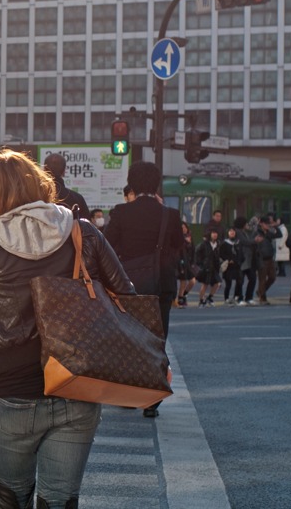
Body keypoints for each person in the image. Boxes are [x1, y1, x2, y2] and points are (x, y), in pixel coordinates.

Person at [0, 149, 134, 508]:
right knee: (60, 501)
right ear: (39, 183)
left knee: (12, 498)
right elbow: (126, 296)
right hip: (76, 383)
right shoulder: (82, 232)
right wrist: (153, 361)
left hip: (10, 390)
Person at [104, 161, 182, 417]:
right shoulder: (169, 215)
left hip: (129, 286)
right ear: (156, 185)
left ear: (133, 184)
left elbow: (106, 247)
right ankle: (152, 401)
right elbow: (180, 248)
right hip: (160, 285)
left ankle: (129, 394)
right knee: (157, 340)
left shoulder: (121, 213)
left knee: (130, 339)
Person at [43, 153, 91, 220]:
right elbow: (86, 227)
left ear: (44, 170)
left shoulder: (34, 197)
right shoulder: (77, 199)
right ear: (64, 171)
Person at [253, 215, 280, 305]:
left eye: (269, 224)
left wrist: (275, 226)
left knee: (272, 277)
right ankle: (262, 297)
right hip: (261, 258)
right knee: (262, 279)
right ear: (261, 224)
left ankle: (261, 291)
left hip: (270, 258)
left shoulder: (268, 232)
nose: (268, 225)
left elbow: (279, 235)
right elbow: (252, 243)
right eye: (266, 224)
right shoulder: (257, 232)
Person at [194, 229, 222, 307]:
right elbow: (197, 252)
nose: (215, 235)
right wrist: (200, 263)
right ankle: (201, 301)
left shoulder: (218, 244)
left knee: (217, 283)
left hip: (214, 267)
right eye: (213, 233)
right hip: (206, 267)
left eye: (216, 233)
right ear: (210, 234)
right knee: (205, 284)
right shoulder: (204, 244)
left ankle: (210, 298)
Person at [233, 216, 257, 306]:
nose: (247, 225)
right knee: (240, 280)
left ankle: (248, 297)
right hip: (241, 259)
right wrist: (255, 241)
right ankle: (238, 297)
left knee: (252, 278)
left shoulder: (243, 232)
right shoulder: (238, 232)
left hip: (247, 259)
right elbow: (244, 242)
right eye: (246, 223)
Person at [220, 227, 243, 305]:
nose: (232, 233)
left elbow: (241, 253)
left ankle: (236, 297)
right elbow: (221, 254)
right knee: (228, 283)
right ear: (228, 233)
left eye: (233, 231)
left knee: (240, 281)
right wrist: (228, 259)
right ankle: (226, 298)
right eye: (230, 231)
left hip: (237, 265)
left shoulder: (238, 242)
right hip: (229, 266)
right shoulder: (224, 243)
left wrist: (240, 260)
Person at [176, 222, 196, 308]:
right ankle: (180, 299)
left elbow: (193, 251)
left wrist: (193, 262)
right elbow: (178, 252)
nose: (183, 229)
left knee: (192, 281)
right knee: (183, 282)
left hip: (189, 263)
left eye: (184, 227)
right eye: (181, 227)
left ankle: (183, 295)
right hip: (181, 263)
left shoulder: (190, 238)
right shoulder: (179, 239)